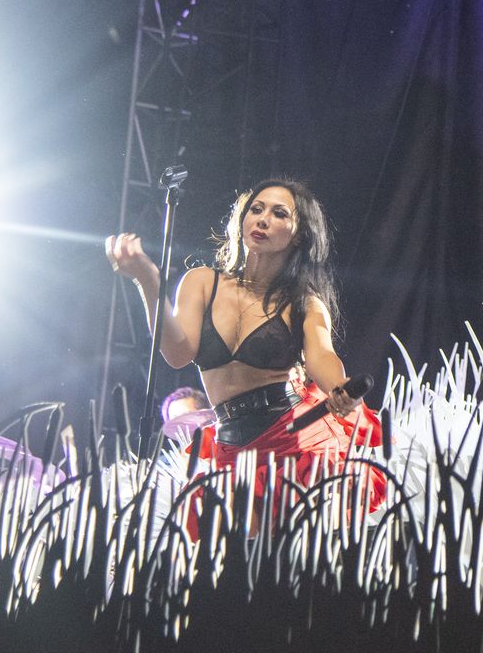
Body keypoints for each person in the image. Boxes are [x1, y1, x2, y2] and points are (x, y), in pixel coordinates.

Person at [105, 177, 385, 515]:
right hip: (230, 444)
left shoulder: (303, 304)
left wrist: (338, 389)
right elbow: (177, 354)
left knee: (291, 556)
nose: (263, 219)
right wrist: (148, 281)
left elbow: (322, 356)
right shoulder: (202, 281)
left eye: (279, 213)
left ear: (298, 235)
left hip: (293, 438)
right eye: (256, 209)